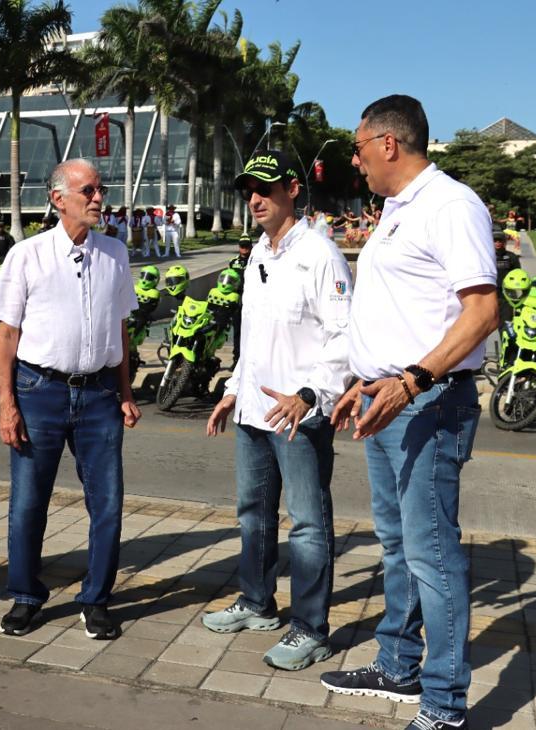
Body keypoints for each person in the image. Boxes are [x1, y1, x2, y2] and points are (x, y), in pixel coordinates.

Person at [322, 95, 497, 730]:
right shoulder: (399, 209)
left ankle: (446, 706)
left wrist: (412, 379)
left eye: (359, 146)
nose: (356, 159)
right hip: (385, 401)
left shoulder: (449, 205)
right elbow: (401, 310)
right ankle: (398, 667)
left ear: (389, 144)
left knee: (432, 553)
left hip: (428, 403)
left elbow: (483, 310)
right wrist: (364, 381)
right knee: (398, 545)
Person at [202, 150, 352, 672]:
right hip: (253, 410)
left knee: (308, 524)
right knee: (253, 513)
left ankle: (311, 629)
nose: (255, 199)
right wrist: (232, 388)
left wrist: (310, 395)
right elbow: (254, 337)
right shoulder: (260, 254)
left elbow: (343, 336)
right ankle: (257, 602)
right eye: (249, 191)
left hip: (300, 416)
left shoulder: (320, 254)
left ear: (293, 188)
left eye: (265, 189)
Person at [0, 158, 141, 641]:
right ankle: (26, 596)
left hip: (99, 395)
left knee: (108, 503)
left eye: (101, 190)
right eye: (88, 190)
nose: (99, 198)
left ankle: (95, 598)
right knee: (29, 502)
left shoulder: (114, 252)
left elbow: (120, 327)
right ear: (58, 199)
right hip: (39, 391)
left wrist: (126, 391)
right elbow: (6, 335)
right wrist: (7, 404)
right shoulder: (27, 255)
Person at [494, 231, 523, 322]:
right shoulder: (486, 256)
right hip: (491, 292)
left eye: (500, 241)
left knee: (506, 321)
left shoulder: (512, 257)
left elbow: (518, 274)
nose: (498, 243)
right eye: (495, 241)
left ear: (505, 242)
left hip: (507, 293)